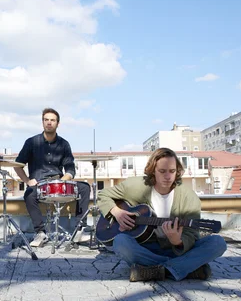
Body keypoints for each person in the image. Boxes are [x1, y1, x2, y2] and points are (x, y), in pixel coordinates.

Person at [97, 147, 226, 281]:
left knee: (218, 243)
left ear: (178, 171)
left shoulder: (189, 197)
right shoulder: (135, 186)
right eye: (162, 171)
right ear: (153, 171)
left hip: (177, 251)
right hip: (145, 248)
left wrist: (178, 241)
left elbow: (191, 234)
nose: (168, 176)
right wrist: (117, 212)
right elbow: (103, 195)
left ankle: (156, 270)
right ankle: (184, 268)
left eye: (172, 171)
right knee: (120, 242)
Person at [14, 108, 91, 247]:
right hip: (39, 183)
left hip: (59, 183)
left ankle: (79, 230)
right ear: (42, 122)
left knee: (84, 188)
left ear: (58, 123)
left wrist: (65, 179)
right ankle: (40, 233)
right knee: (29, 194)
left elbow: (70, 167)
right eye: (46, 120)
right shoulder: (31, 142)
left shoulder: (64, 144)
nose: (49, 123)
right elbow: (17, 165)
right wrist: (27, 181)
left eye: (52, 120)